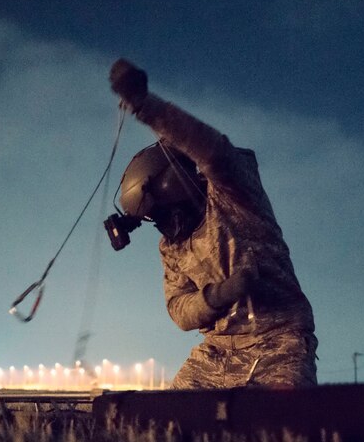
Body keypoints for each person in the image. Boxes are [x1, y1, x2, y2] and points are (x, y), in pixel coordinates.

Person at [109, 59, 317, 389]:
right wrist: (217, 296)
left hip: (280, 344)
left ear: (175, 187)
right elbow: (179, 308)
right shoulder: (172, 247)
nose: (164, 226)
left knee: (280, 429)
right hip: (217, 354)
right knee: (165, 424)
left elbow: (213, 152)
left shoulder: (234, 196)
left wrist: (145, 106)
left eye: (164, 212)